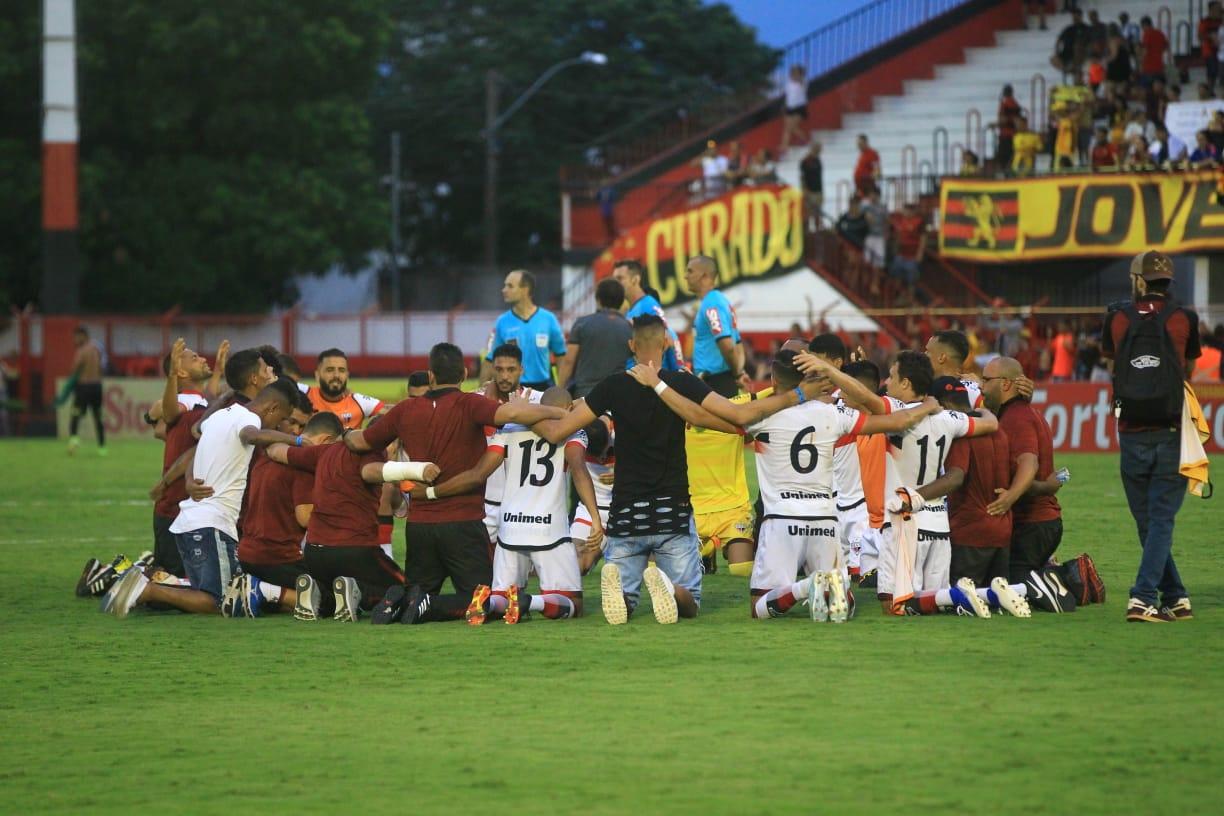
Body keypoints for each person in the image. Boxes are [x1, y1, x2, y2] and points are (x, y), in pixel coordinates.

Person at [535, 315, 819, 624]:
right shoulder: (681, 382)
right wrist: (799, 395)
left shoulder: (612, 386)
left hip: (626, 514)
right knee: (691, 602)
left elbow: (556, 432)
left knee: (625, 601)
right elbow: (738, 415)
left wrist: (517, 412)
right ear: (667, 342)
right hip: (673, 512)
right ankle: (670, 588)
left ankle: (624, 593)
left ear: (631, 345)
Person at [343, 342, 564, 624]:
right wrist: (562, 413)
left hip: (420, 524)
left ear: (430, 375)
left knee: (418, 590)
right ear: (462, 373)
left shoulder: (404, 410)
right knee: (482, 600)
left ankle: (401, 598)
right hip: (463, 521)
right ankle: (426, 605)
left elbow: (361, 441)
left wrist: (346, 433)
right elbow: (511, 414)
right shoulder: (469, 404)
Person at [102, 379, 302, 617]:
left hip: (192, 521)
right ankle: (147, 590)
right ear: (272, 408)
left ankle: (140, 578)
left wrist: (188, 480)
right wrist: (298, 442)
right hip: (212, 525)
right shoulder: (250, 421)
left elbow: (196, 452)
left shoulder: (218, 418)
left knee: (212, 588)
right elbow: (251, 436)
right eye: (280, 419)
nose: (278, 426)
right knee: (220, 600)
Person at [432, 387, 604, 625]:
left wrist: (432, 492)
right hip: (549, 531)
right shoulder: (573, 432)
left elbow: (479, 474)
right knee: (573, 602)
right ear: (569, 409)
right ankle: (529, 602)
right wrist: (595, 517)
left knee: (502, 596)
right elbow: (579, 470)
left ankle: (488, 603)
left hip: (510, 528)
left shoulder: (507, 430)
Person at [1101, 251, 1201, 623]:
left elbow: (1112, 365)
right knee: (1160, 520)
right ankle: (1166, 596)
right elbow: (1187, 368)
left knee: (1148, 521)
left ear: (1138, 280)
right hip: (1171, 429)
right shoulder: (1184, 318)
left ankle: (1154, 595)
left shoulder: (1116, 319)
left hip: (1130, 432)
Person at [925, 378, 1028, 616]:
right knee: (995, 605)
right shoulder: (998, 430)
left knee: (964, 605)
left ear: (943, 403)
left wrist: (915, 496)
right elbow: (1016, 469)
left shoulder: (961, 432)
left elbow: (956, 477)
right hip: (1001, 529)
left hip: (970, 532)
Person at [220, 407, 335, 617]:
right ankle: (262, 590)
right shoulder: (303, 466)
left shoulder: (267, 456)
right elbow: (305, 518)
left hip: (247, 553)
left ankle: (264, 594)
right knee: (330, 600)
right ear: (326, 441)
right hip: (276, 556)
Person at [980, 356, 1065, 588]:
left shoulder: (1016, 419)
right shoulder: (1026, 413)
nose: (981, 386)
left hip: (1032, 523)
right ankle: (1051, 573)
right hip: (1041, 522)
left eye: (986, 380)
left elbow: (1029, 463)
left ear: (1006, 384)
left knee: (1010, 586)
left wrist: (1009, 496)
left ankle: (1064, 583)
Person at [147, 339, 212, 577]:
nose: (204, 358)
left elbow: (160, 429)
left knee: (183, 578)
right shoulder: (187, 400)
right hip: (176, 509)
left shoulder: (201, 401)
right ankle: (115, 575)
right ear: (181, 370)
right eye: (195, 358)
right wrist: (172, 376)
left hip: (187, 508)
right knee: (173, 582)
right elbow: (170, 411)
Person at [480, 343, 544, 547]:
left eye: (511, 370)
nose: (504, 376)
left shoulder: (539, 400)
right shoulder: (476, 402)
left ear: (521, 370)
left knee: (519, 578)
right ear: (492, 370)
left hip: (524, 508)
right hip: (485, 506)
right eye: (499, 369)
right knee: (482, 574)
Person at [482, 269, 566, 390]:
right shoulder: (502, 321)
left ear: (525, 289)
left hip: (543, 388)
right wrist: (481, 391)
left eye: (510, 286)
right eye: (505, 285)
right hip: (512, 388)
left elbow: (561, 356)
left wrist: (561, 389)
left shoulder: (548, 319)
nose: (504, 290)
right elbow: (490, 359)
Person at [555, 277, 632, 399]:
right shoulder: (629, 328)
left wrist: (559, 390)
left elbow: (569, 361)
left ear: (598, 299)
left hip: (585, 395)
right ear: (622, 300)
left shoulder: (582, 324)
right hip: (617, 395)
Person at [686, 254, 747, 397]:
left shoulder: (711, 304)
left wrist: (736, 374)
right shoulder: (722, 301)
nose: (685, 276)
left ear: (705, 276)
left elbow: (727, 345)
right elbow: (738, 345)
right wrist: (739, 372)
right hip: (723, 380)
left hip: (715, 383)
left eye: (690, 271)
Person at [612, 258, 685, 370]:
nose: (615, 284)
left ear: (635, 279)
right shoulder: (629, 311)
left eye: (620, 278)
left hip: (650, 378)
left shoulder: (648, 304)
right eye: (614, 280)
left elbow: (668, 338)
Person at [305, 348, 384, 430]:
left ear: (347, 375)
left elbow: (392, 412)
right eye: (330, 370)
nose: (336, 375)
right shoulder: (304, 394)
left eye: (341, 370)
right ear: (317, 375)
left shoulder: (359, 402)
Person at [67, 326, 105, 455]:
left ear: (83, 335)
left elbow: (75, 367)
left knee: (75, 414)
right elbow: (101, 367)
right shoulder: (97, 349)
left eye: (76, 337)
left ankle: (74, 440)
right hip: (97, 387)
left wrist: (71, 381)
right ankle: (102, 447)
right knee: (98, 417)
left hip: (84, 387)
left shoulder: (82, 350)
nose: (75, 340)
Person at [1052, 8, 1089, 77]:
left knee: (1077, 47)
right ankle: (1067, 70)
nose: (1074, 18)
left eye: (1076, 16)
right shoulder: (1068, 28)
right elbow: (1059, 40)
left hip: (1080, 54)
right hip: (1066, 53)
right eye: (1073, 16)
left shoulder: (1086, 28)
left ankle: (1074, 68)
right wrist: (1057, 52)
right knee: (1053, 59)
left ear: (1081, 16)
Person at [780, 64, 808, 152]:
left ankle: (804, 139)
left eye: (796, 72)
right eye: (793, 72)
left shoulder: (803, 82)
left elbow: (803, 83)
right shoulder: (788, 83)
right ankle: (784, 147)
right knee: (787, 128)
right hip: (789, 107)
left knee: (791, 127)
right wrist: (784, 106)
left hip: (799, 107)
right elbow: (787, 96)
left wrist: (801, 74)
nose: (794, 74)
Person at [996, 85, 1022, 170]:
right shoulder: (1016, 104)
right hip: (1015, 134)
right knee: (1012, 155)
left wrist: (998, 123)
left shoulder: (1004, 104)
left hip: (1005, 134)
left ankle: (1004, 172)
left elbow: (1003, 119)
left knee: (1003, 157)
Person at [1138, 16, 1169, 86]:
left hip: (1148, 68)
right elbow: (1166, 46)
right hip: (1159, 66)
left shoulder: (1147, 34)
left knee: (1145, 89)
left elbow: (1145, 51)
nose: (1142, 29)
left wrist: (1140, 63)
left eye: (1142, 27)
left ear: (1145, 25)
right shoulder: (1160, 33)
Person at [799, 141, 823, 230]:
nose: (821, 150)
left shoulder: (818, 160)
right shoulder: (805, 161)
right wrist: (805, 191)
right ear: (814, 148)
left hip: (818, 191)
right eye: (819, 148)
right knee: (808, 215)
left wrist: (821, 192)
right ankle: (808, 234)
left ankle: (817, 233)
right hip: (810, 192)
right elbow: (802, 177)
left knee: (817, 215)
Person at [1203, 2, 1223, 89]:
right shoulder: (1204, 22)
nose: (1218, 11)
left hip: (1219, 52)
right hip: (1210, 50)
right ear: (1211, 10)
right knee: (1212, 71)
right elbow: (1200, 36)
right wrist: (1210, 36)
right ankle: (1210, 90)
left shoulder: (1220, 22)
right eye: (1217, 9)